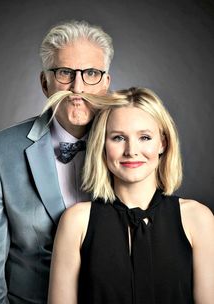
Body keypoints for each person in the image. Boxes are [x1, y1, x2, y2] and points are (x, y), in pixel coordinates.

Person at [0, 20, 113, 303]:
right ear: (44, 82)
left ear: (106, 83)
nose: (78, 87)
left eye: (91, 73)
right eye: (65, 72)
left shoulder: (130, 148)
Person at [48, 87, 214, 304]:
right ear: (102, 144)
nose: (131, 150)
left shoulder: (198, 219)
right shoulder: (76, 222)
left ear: (162, 143)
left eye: (145, 137)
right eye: (118, 138)